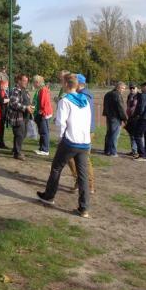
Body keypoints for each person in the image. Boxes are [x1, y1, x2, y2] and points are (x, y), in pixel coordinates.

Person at [37, 73, 92, 218]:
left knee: (56, 168)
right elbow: (87, 120)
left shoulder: (65, 100)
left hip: (70, 141)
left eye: (62, 82)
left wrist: (61, 137)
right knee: (83, 175)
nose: (61, 84)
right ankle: (84, 208)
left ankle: (49, 196)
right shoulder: (85, 100)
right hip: (84, 142)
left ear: (67, 84)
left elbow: (61, 122)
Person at [68, 74, 96, 193]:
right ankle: (80, 181)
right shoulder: (82, 95)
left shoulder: (84, 96)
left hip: (85, 131)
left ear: (78, 84)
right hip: (82, 131)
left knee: (83, 159)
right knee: (73, 158)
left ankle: (88, 185)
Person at [7, 74, 34, 161]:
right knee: (19, 134)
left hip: (25, 116)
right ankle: (17, 153)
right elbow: (13, 103)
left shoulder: (25, 90)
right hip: (17, 116)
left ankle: (15, 149)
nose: (26, 82)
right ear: (19, 81)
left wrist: (30, 106)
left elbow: (27, 101)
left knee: (23, 134)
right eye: (24, 81)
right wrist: (26, 107)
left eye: (27, 81)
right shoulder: (16, 90)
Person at [102, 81, 127, 156]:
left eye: (124, 89)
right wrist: (125, 119)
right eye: (122, 88)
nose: (123, 90)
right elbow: (120, 108)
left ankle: (107, 150)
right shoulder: (117, 95)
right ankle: (113, 152)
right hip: (115, 117)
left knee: (109, 134)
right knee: (114, 135)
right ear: (118, 87)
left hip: (109, 117)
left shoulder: (107, 94)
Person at [32, 75, 53, 156]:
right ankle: (41, 148)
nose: (33, 84)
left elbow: (44, 103)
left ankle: (45, 149)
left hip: (44, 114)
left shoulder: (43, 90)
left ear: (37, 82)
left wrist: (41, 113)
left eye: (34, 82)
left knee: (44, 132)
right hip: (42, 113)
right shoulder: (41, 89)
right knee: (42, 131)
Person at [125, 84, 140, 157]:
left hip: (137, 118)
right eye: (131, 88)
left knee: (137, 135)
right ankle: (133, 150)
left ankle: (137, 151)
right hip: (130, 117)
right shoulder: (129, 96)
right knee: (131, 134)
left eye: (133, 88)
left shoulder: (139, 96)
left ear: (137, 88)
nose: (132, 89)